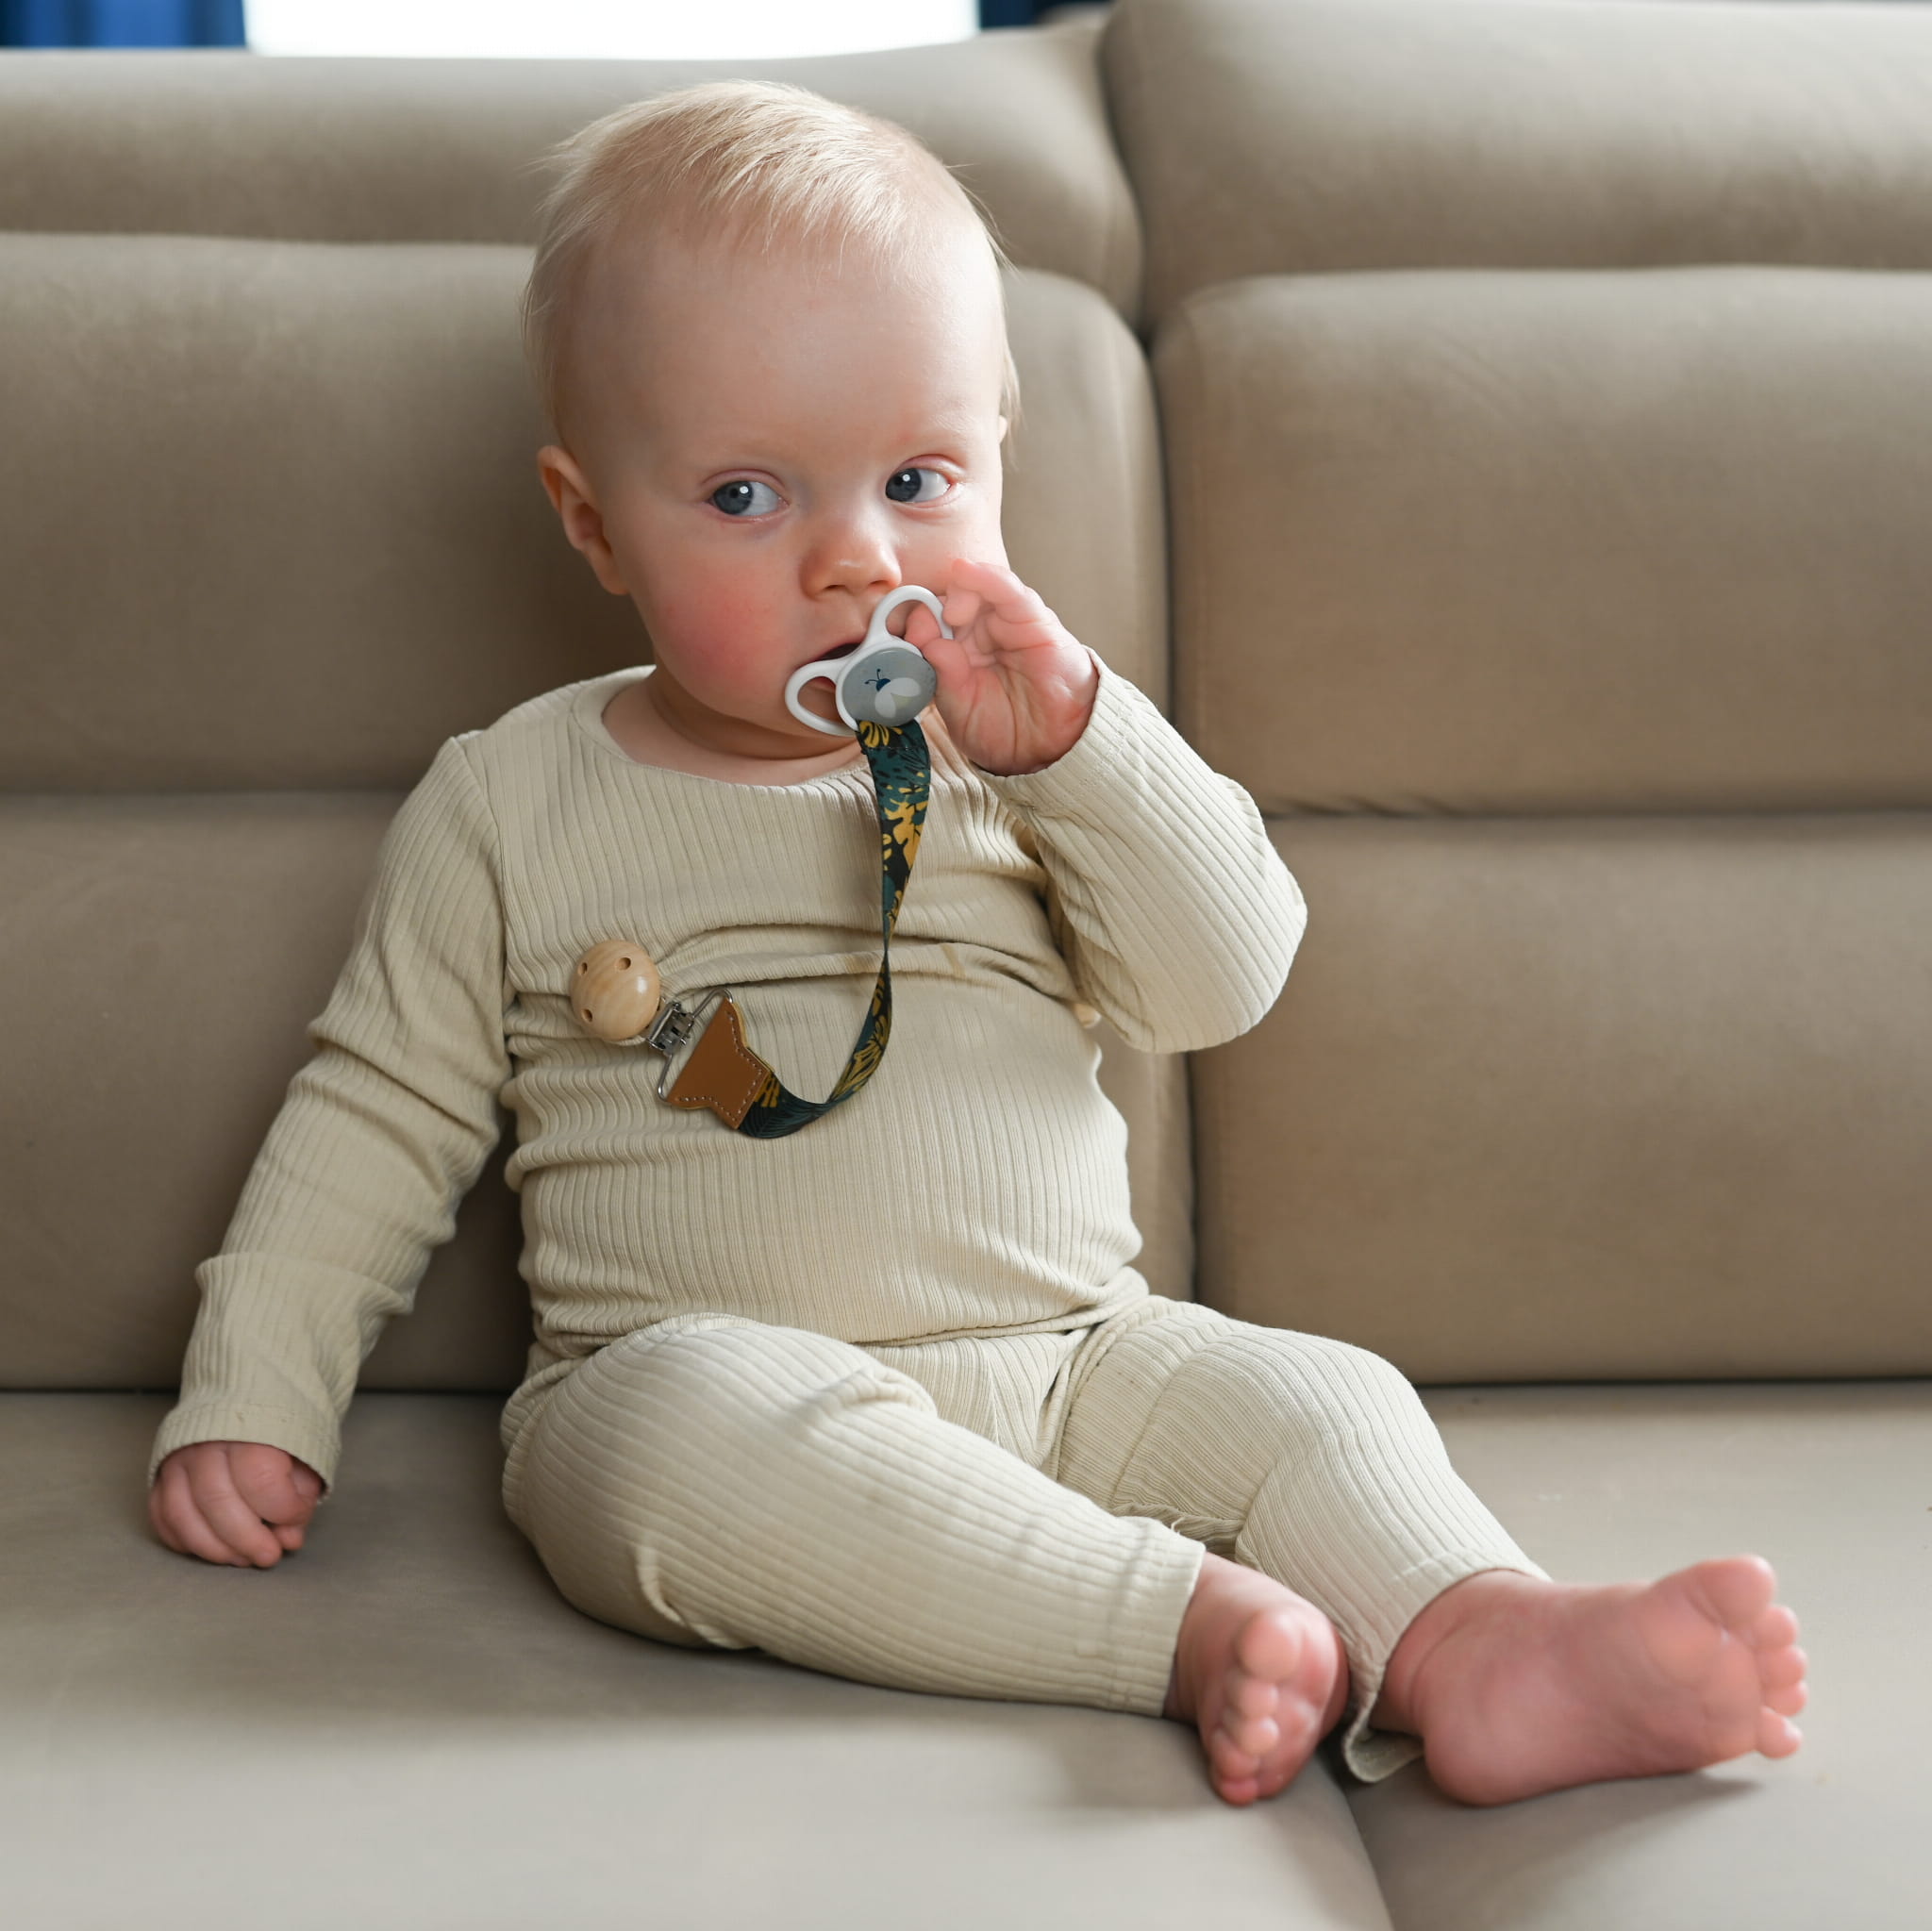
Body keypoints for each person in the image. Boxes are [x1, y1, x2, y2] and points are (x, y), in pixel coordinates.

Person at [147, 80, 1807, 1810]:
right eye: (744, 494)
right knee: (660, 1450)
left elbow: (1219, 981)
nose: (856, 559)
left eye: (917, 479)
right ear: (594, 523)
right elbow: (375, 1117)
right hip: (704, 1374)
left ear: (999, 455)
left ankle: (1480, 1640)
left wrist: (1084, 748)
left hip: (1082, 1361)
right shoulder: (511, 798)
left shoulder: (1024, 747)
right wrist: (255, 1391)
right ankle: (1180, 1626)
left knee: (1320, 1397)